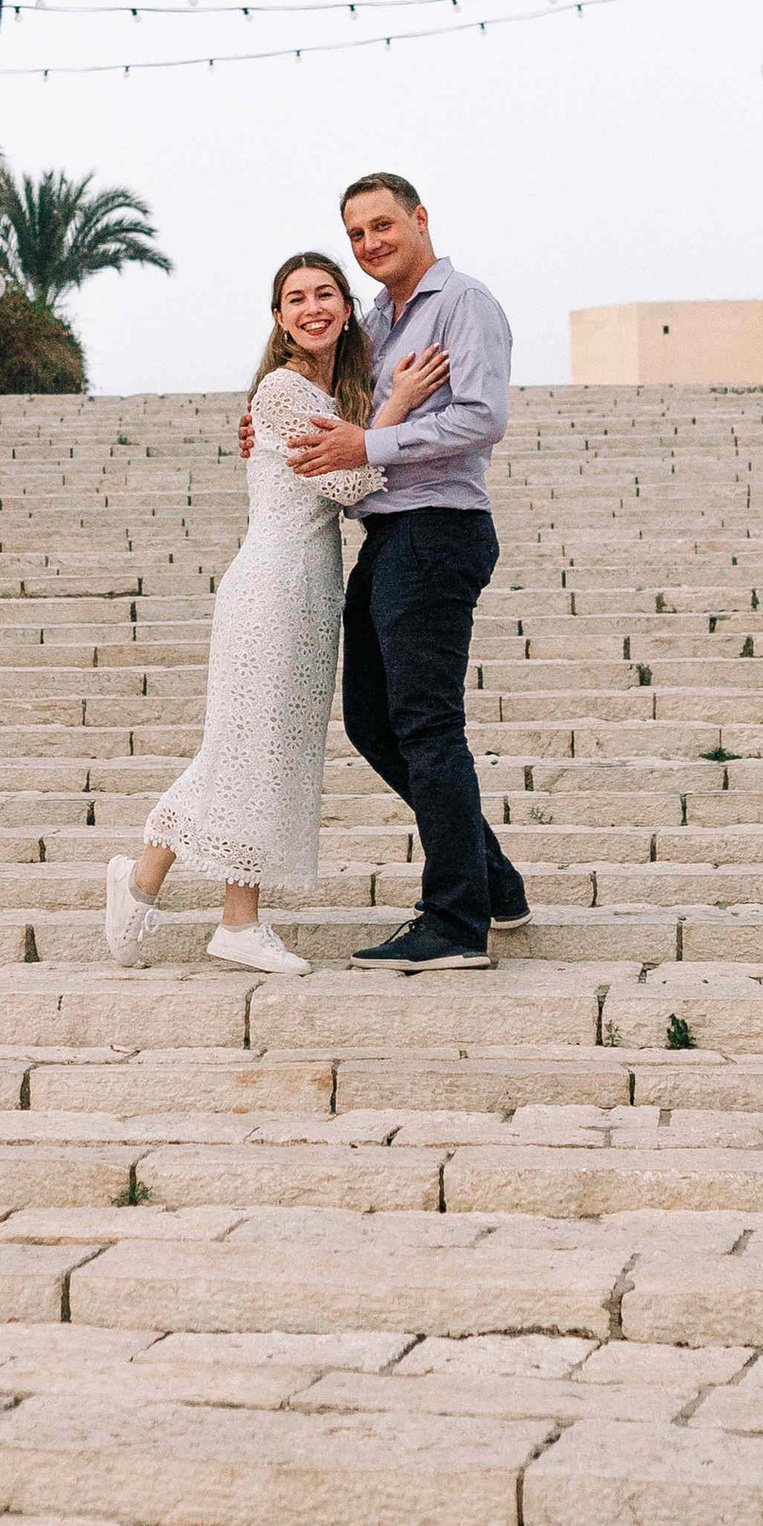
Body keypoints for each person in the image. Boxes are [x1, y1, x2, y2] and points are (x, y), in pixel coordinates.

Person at [105, 252, 452, 975]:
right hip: (270, 589)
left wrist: (378, 408)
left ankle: (139, 881)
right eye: (296, 298)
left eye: (326, 293)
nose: (313, 306)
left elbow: (349, 470)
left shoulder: (329, 399)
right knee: (253, 753)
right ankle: (237, 923)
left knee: (246, 752)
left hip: (310, 592)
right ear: (279, 318)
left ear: (347, 308)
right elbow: (352, 477)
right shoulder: (282, 392)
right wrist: (400, 404)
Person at [283, 171, 527, 970]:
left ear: (420, 219)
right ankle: (491, 882)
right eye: (356, 235)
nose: (370, 244)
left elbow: (482, 416)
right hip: (387, 536)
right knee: (371, 721)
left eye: (383, 226)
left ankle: (455, 923)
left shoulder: (465, 303)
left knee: (426, 726)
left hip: (437, 528)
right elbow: (344, 412)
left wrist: (369, 445)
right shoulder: (379, 320)